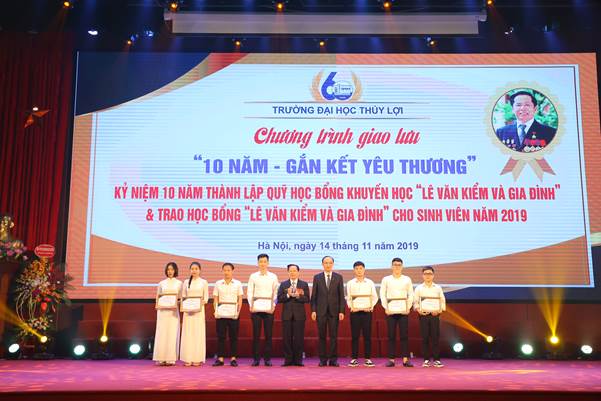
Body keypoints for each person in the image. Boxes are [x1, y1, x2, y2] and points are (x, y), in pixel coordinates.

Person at [310, 255, 345, 367]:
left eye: (330, 263)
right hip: (320, 311)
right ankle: (323, 360)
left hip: (334, 312)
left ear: (333, 264)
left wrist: (342, 311)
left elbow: (341, 295)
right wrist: (313, 310)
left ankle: (333, 360)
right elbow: (314, 296)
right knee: (322, 336)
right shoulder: (317, 277)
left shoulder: (338, 277)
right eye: (326, 263)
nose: (328, 265)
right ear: (322, 264)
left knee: (334, 336)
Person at [380, 257, 414, 367]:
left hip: (403, 310)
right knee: (391, 335)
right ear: (391, 266)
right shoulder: (386, 279)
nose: (397, 267)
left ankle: (405, 359)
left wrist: (408, 307)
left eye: (399, 265)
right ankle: (391, 360)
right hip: (391, 310)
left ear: (402, 266)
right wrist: (386, 308)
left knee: (404, 335)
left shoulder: (407, 279)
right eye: (395, 265)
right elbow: (382, 294)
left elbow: (411, 294)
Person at [247, 253, 279, 366]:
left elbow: (276, 292)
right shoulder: (253, 276)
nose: (263, 264)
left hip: (269, 309)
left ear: (268, 263)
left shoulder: (273, 276)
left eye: (265, 261)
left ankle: (267, 359)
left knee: (268, 335)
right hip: (256, 309)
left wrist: (273, 306)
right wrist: (251, 305)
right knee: (256, 335)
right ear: (258, 263)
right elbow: (250, 292)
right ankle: (256, 359)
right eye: (261, 261)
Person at [346, 261, 378, 367]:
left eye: (361, 268)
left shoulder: (370, 282)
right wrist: (351, 307)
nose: (359, 270)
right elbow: (348, 298)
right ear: (354, 270)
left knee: (367, 336)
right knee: (355, 336)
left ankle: (368, 359)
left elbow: (374, 297)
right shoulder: (350, 283)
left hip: (367, 312)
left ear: (364, 269)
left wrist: (370, 307)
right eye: (357, 268)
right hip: (355, 312)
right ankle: (354, 359)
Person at [277, 263, 310, 366]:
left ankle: (298, 360)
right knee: (287, 338)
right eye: (290, 271)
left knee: (299, 338)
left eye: (294, 271)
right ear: (288, 272)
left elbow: (307, 299)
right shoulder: (283, 284)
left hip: (299, 316)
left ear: (298, 272)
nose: (292, 272)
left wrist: (297, 296)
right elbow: (279, 299)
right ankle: (288, 360)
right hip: (287, 315)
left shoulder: (304, 284)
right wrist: (288, 295)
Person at [414, 266, 446, 368]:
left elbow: (442, 301)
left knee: (435, 338)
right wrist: (418, 309)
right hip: (423, 315)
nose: (428, 276)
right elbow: (415, 302)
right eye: (426, 274)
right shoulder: (419, 288)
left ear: (433, 275)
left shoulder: (438, 288)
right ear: (422, 275)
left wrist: (439, 310)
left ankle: (437, 360)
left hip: (435, 315)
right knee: (425, 338)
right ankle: (426, 360)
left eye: (430, 274)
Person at [212, 262, 243, 367]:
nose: (226, 272)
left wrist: (238, 312)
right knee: (221, 337)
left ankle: (233, 358)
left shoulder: (238, 283)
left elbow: (240, 299)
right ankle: (220, 359)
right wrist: (216, 311)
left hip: (234, 314)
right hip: (221, 314)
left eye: (228, 270)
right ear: (222, 271)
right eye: (224, 270)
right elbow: (215, 299)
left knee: (233, 337)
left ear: (232, 271)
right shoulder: (218, 283)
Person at [179, 261, 209, 366]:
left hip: (199, 312)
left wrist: (198, 304)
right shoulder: (186, 282)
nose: (194, 271)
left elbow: (206, 298)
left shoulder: (204, 282)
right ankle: (187, 358)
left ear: (200, 270)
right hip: (188, 312)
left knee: (198, 333)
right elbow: (183, 297)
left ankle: (197, 358)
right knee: (188, 334)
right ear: (190, 270)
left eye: (196, 269)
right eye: (192, 269)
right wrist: (188, 305)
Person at [152, 262, 182, 366]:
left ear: (175, 270)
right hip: (162, 312)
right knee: (162, 333)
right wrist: (158, 305)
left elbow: (181, 298)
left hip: (173, 312)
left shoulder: (179, 283)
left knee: (172, 333)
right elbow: (158, 297)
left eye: (172, 269)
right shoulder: (161, 283)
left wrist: (176, 303)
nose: (170, 271)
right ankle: (161, 358)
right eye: (168, 269)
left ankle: (170, 358)